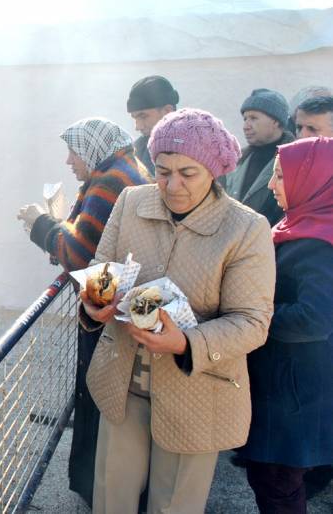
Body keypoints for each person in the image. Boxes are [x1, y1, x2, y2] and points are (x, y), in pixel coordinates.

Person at [82, 108, 276, 514]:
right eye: (162, 170)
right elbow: (104, 268)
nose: (172, 185)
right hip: (123, 383)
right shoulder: (132, 201)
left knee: (174, 505)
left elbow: (252, 322)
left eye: (188, 173)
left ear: (215, 170)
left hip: (196, 392)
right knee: (110, 496)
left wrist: (185, 341)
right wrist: (95, 301)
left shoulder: (245, 228)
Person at [17, 118, 150, 507]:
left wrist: (39, 225)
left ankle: (100, 489)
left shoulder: (110, 180)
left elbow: (83, 255)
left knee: (99, 392)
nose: (68, 161)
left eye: (73, 150)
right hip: (113, 299)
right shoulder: (121, 170)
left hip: (105, 304)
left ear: (92, 149)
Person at [238, 136, 333, 513]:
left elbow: (315, 317)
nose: (270, 185)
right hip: (287, 388)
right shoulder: (303, 225)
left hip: (292, 396)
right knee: (273, 480)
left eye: (280, 175)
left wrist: (253, 315)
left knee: (277, 484)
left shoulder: (317, 244)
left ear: (313, 180)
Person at [225, 88, 294, 226]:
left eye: (253, 118)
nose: (246, 126)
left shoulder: (293, 160)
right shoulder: (237, 161)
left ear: (275, 121)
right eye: (245, 119)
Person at [126, 75, 180, 175]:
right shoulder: (139, 148)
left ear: (168, 111)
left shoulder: (198, 147)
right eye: (135, 118)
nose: (138, 127)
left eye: (143, 116)